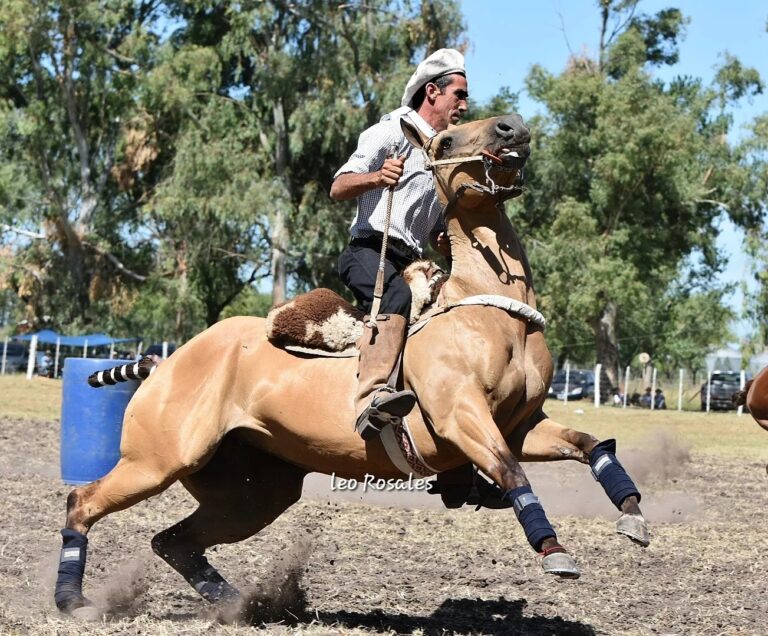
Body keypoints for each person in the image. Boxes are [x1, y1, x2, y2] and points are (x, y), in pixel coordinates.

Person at [331, 48, 468, 440]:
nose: (464, 104)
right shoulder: (392, 131)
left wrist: (442, 240)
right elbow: (338, 186)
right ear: (432, 92)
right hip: (368, 252)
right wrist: (377, 177)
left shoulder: (445, 154)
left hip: (413, 260)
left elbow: (433, 233)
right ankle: (371, 399)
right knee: (397, 298)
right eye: (458, 94)